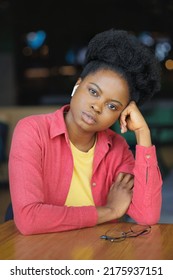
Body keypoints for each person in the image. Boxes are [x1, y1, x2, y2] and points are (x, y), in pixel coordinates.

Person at [8, 29, 162, 235]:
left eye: (112, 106)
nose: (97, 107)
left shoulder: (117, 149)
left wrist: (143, 134)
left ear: (121, 114)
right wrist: (109, 211)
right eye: (93, 92)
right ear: (77, 85)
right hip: (42, 256)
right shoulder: (32, 131)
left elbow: (147, 216)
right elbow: (29, 219)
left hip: (97, 256)